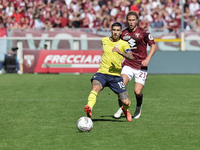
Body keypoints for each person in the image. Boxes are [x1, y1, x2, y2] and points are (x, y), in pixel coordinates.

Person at [84, 22, 134, 122]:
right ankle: (89, 107)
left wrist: (119, 52)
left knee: (126, 102)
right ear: (111, 31)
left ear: (121, 32)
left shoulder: (124, 44)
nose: (115, 32)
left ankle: (125, 110)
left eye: (117, 30)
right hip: (102, 73)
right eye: (114, 30)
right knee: (95, 87)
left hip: (115, 76)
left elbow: (131, 57)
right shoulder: (104, 40)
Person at [114, 11, 157, 119]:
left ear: (137, 21)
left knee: (137, 92)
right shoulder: (123, 33)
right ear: (127, 20)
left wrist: (147, 59)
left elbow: (154, 46)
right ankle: (123, 109)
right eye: (129, 20)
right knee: (121, 86)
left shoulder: (144, 32)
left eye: (133, 20)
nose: (131, 22)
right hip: (128, 64)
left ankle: (138, 106)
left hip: (141, 66)